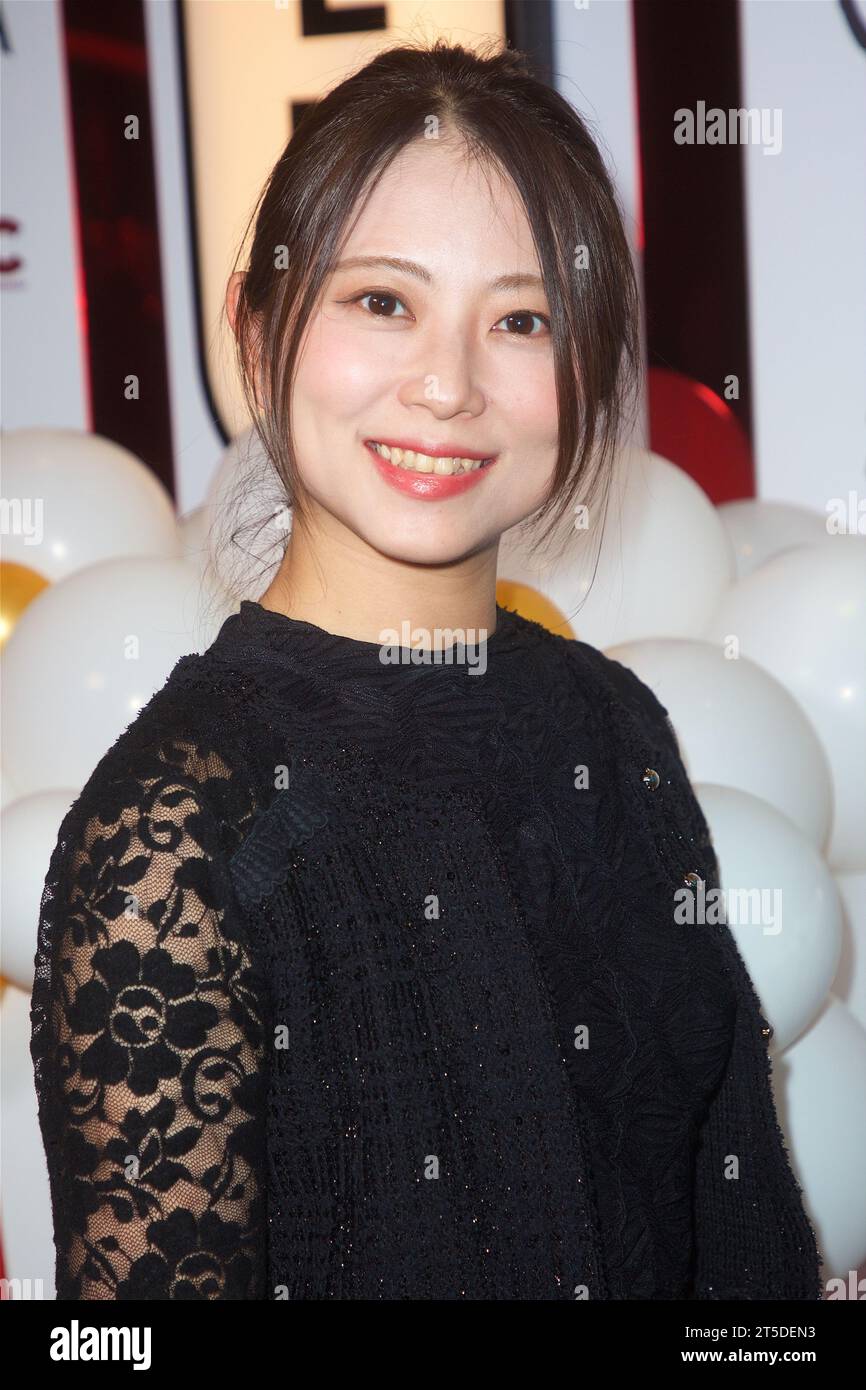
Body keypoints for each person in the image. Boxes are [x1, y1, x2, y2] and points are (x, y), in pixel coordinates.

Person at [29, 39, 822, 1300]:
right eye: (382, 302)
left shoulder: (611, 725)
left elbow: (738, 1229)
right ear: (256, 327)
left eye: (520, 321)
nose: (447, 386)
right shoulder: (172, 832)